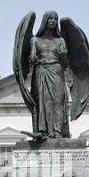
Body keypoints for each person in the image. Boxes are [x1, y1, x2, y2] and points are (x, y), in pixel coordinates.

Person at [29, 10, 72, 139]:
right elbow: (32, 56)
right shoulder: (35, 40)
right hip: (41, 71)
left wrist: (64, 55)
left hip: (56, 70)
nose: (53, 21)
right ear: (45, 20)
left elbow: (65, 64)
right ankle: (43, 131)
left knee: (58, 101)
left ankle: (58, 131)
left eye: (55, 19)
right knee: (42, 101)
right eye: (51, 18)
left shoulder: (60, 41)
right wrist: (33, 58)